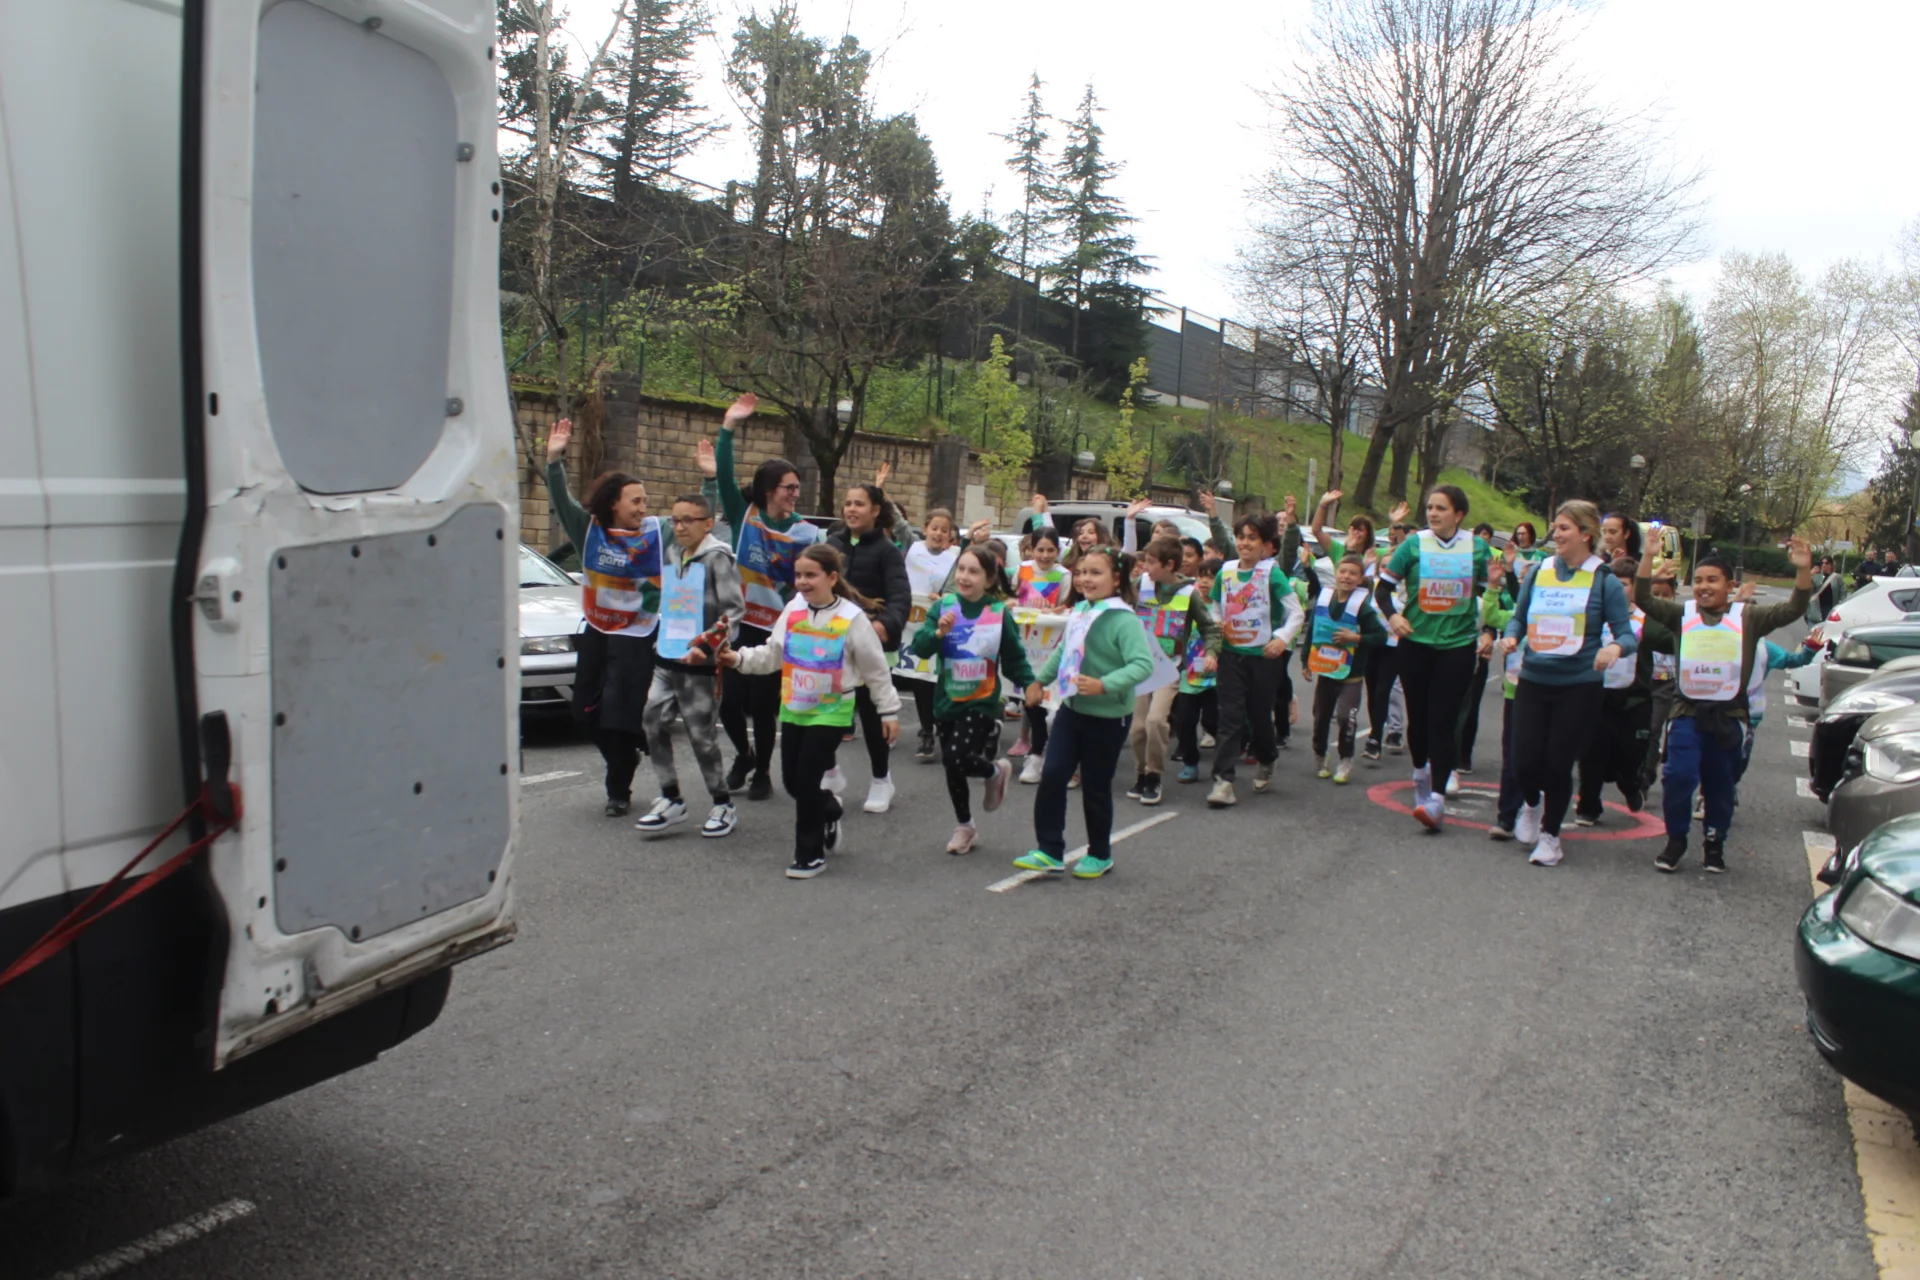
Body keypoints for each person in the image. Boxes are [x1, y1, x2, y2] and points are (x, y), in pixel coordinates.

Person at [719, 545, 900, 879]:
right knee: (792, 782)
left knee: (805, 779)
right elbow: (773, 654)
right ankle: (828, 808)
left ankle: (810, 854)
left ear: (831, 578)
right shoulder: (793, 609)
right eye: (799, 575)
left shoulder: (852, 618)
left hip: (832, 711)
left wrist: (888, 711)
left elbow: (875, 669)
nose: (802, 582)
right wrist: (739, 659)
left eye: (811, 575)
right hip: (794, 707)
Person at [1635, 538, 1814, 874]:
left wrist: (1803, 570)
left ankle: (1714, 842)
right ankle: (1676, 839)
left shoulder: (1749, 618)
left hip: (1729, 717)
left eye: (1712, 580)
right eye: (1698, 580)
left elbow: (1793, 609)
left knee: (1720, 784)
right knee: (1678, 776)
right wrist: (1647, 557)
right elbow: (1643, 598)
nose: (1703, 587)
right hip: (1686, 714)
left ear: (1730, 586)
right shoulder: (1682, 615)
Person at [699, 394, 825, 802]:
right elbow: (724, 474)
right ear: (770, 489)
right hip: (739, 624)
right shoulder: (746, 514)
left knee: (764, 705)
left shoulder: (806, 532)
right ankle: (745, 755)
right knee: (730, 703)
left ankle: (764, 773)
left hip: (777, 628)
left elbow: (811, 580)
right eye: (790, 487)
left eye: (798, 488)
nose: (795, 493)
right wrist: (729, 426)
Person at [1498, 502, 1637, 864]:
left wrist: (1613, 649)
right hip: (1533, 679)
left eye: (1564, 529)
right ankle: (1531, 804)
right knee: (1523, 762)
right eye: (1555, 527)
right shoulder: (1539, 571)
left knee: (1558, 764)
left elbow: (1626, 634)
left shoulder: (1604, 580)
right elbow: (1518, 618)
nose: (1556, 535)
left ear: (1586, 535)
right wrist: (1511, 637)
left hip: (1579, 685)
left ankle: (1550, 838)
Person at [1011, 546, 1157, 880]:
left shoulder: (1123, 619)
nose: (1085, 579)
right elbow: (1063, 651)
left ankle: (1100, 854)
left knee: (1095, 787)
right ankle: (1050, 850)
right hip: (1072, 709)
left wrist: (1105, 684)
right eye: (1081, 573)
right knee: (1053, 775)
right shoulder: (1080, 611)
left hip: (1109, 717)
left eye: (1095, 573)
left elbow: (1142, 664)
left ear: (1116, 579)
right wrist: (1039, 681)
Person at [544, 418, 662, 817]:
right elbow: (563, 502)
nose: (643, 508)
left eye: (644, 501)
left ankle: (618, 788)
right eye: (635, 501)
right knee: (584, 711)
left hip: (637, 634)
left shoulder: (655, 533)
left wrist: (711, 482)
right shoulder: (589, 530)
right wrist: (554, 460)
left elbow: (693, 522)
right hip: (597, 629)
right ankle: (626, 755)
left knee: (620, 714)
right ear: (614, 504)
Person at [1375, 486, 1491, 830]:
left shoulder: (1477, 547)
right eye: (1430, 508)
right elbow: (1383, 590)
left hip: (1457, 645)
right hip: (1415, 643)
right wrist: (1393, 617)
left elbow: (1490, 595)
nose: (1433, 513)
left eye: (1441, 508)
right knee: (1420, 718)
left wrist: (1489, 631)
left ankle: (1437, 798)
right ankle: (1420, 774)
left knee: (1444, 719)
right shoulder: (1414, 545)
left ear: (1459, 514)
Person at [908, 545, 1035, 856]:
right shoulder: (944, 608)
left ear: (989, 579)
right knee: (953, 767)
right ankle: (965, 825)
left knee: (955, 756)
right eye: (961, 569)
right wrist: (938, 633)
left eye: (973, 572)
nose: (964, 577)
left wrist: (1030, 683)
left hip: (982, 700)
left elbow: (1014, 658)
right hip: (947, 699)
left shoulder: (998, 613)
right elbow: (919, 648)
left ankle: (992, 773)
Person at [635, 493, 745, 838]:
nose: (680, 527)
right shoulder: (672, 554)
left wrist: (707, 644)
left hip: (701, 663)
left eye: (688, 520)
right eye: (675, 520)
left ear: (707, 524)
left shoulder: (718, 559)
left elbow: (733, 612)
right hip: (667, 657)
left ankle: (723, 803)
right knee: (652, 720)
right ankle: (671, 798)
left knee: (701, 737)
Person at [1207, 513, 1305, 808]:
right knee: (1230, 717)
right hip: (1231, 655)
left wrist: (1281, 639)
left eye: (1252, 538)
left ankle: (1267, 757)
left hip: (1263, 658)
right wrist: (1217, 623)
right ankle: (1223, 781)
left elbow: (1296, 613)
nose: (1245, 543)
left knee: (1259, 716)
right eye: (1241, 537)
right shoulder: (1225, 572)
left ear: (1264, 544)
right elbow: (1215, 606)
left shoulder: (1271, 573)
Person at [825, 483, 911, 814]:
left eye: (859, 504)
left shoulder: (888, 551)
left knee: (873, 717)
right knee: (827, 715)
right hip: (833, 644)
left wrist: (884, 624)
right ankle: (830, 774)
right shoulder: (832, 545)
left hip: (872, 646)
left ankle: (881, 779)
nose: (851, 509)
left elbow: (900, 597)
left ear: (875, 510)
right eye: (847, 503)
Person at [1570, 558, 1675, 827]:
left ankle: (1631, 784)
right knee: (1591, 752)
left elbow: (1673, 639)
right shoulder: (1593, 614)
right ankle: (1588, 806)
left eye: (1624, 584)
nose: (1617, 590)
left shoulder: (1646, 619)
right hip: (1597, 696)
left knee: (1632, 754)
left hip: (1635, 699)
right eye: (1612, 584)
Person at [1127, 536, 1221, 806]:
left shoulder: (1189, 594)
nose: (1145, 567)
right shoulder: (1140, 586)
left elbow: (1209, 628)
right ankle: (1141, 773)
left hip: (1169, 669)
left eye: (1151, 562)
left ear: (1169, 565)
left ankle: (1154, 775)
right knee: (1137, 729)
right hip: (1139, 666)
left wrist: (1212, 653)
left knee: (1156, 721)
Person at [1307, 555, 1390, 783]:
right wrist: (1305, 661)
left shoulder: (1362, 607)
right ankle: (1320, 753)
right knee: (1320, 717)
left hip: (1351, 675)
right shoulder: (1325, 599)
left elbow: (1381, 636)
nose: (1346, 577)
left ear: (1360, 578)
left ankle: (1345, 758)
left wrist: (1356, 638)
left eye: (1353, 573)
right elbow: (1313, 630)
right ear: (1336, 573)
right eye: (1343, 571)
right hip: (1326, 670)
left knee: (1346, 717)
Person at [898, 508, 962, 762]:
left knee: (938, 678)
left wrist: (946, 597)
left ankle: (943, 725)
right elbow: (898, 523)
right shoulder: (912, 548)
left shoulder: (954, 558)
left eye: (944, 530)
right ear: (924, 529)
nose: (938, 533)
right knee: (919, 677)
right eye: (934, 528)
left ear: (950, 536)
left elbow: (957, 588)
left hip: (938, 621)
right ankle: (926, 730)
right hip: (910, 623)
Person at [1011, 528, 1070, 780]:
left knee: (1047, 700)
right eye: (1040, 549)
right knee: (1030, 699)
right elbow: (1012, 597)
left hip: (1050, 646)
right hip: (1025, 645)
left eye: (1050, 550)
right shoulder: (1022, 570)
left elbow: (1066, 606)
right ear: (1032, 549)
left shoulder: (1064, 575)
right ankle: (1035, 753)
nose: (1045, 555)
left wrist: (1057, 612)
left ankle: (1043, 750)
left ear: (1058, 551)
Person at [1171, 557, 1224, 784]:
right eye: (1202, 576)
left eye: (1211, 578)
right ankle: (1190, 763)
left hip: (1216, 677)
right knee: (1184, 721)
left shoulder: (1223, 608)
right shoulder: (1188, 602)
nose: (1204, 582)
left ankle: (1226, 758)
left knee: (1213, 722)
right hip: (1189, 674)